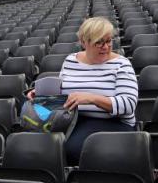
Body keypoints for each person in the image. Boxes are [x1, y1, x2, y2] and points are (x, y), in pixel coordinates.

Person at [50, 17, 138, 165]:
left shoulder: (121, 64)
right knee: (45, 145)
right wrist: (39, 94)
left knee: (74, 149)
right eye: (99, 42)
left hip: (113, 122)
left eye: (109, 41)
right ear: (84, 42)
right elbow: (61, 91)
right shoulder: (70, 60)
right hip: (73, 120)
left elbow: (128, 104)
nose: (106, 47)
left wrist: (92, 98)